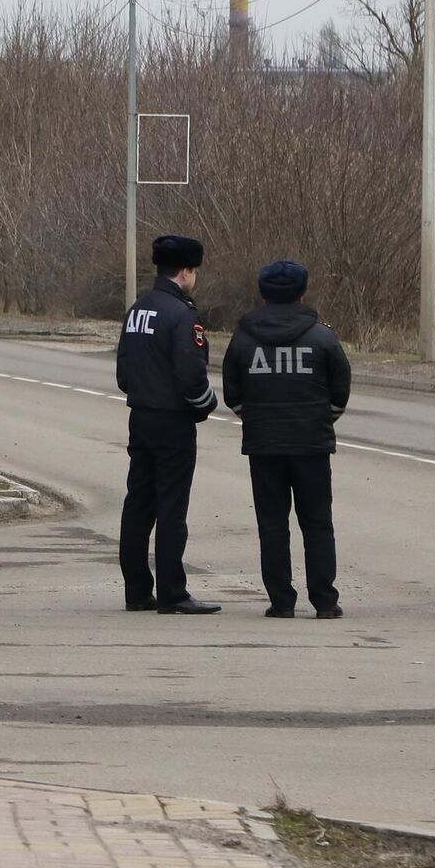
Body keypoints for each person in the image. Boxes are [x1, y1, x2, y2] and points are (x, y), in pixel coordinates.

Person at [222, 260, 351, 619]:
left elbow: (232, 393)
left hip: (264, 445)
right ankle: (325, 601)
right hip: (311, 444)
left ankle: (281, 602)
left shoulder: (244, 337)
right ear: (302, 292)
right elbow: (341, 390)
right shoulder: (322, 337)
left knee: (273, 524)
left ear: (262, 294)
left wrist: (258, 419)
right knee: (318, 523)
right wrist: (321, 419)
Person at [116, 234, 221, 615]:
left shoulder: (138, 309)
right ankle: (173, 592)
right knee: (172, 507)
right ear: (187, 271)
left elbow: (124, 371)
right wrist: (205, 405)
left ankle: (137, 590)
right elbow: (191, 374)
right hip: (173, 421)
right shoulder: (182, 314)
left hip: (140, 416)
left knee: (138, 504)